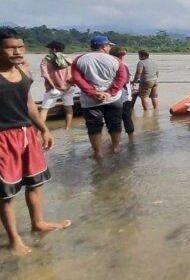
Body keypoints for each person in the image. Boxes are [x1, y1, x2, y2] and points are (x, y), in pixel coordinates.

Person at [0, 28, 71, 256]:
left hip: (26, 134)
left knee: (35, 182)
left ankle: (38, 223)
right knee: (6, 193)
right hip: (2, 137)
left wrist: (43, 129)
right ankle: (14, 239)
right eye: (11, 47)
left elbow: (29, 103)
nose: (18, 51)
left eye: (21, 47)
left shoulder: (23, 69)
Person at [72, 36, 128, 157]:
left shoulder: (79, 60)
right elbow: (122, 79)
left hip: (90, 101)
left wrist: (93, 93)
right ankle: (116, 147)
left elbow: (77, 79)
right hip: (112, 99)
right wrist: (110, 92)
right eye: (108, 46)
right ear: (103, 47)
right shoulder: (115, 60)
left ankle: (98, 153)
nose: (109, 48)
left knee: (94, 127)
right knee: (115, 124)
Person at [38, 41, 76, 129]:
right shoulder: (69, 59)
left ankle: (40, 132)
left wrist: (53, 86)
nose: (49, 50)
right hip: (69, 88)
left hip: (54, 89)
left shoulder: (46, 59)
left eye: (50, 49)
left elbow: (45, 75)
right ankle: (68, 129)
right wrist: (70, 85)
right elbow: (74, 74)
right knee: (68, 108)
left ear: (54, 49)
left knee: (44, 110)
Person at [110, 47, 135, 143]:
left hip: (119, 96)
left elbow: (125, 81)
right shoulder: (123, 66)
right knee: (126, 118)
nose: (122, 58)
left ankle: (117, 143)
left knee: (117, 119)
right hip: (123, 96)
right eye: (122, 56)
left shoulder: (120, 66)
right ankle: (130, 140)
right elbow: (126, 80)